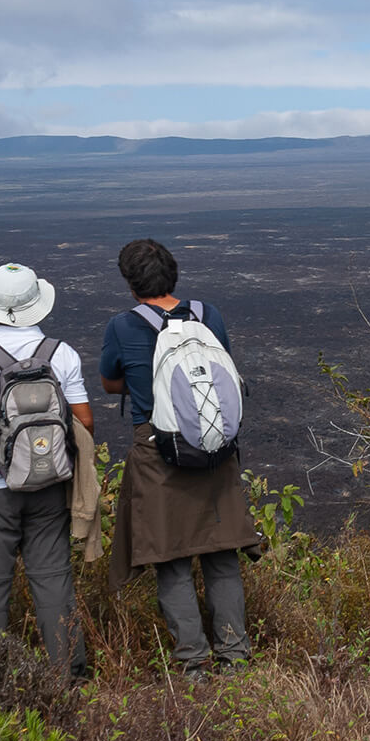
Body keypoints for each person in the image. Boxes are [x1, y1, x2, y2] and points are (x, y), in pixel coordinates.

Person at [100, 238, 262, 675]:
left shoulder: (123, 325)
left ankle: (193, 664)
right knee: (221, 553)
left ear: (131, 284)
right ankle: (235, 657)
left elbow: (110, 382)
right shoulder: (208, 315)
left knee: (171, 557)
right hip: (214, 449)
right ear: (173, 276)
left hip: (157, 450)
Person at [0, 263, 92, 678]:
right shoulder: (61, 353)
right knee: (53, 579)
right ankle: (70, 675)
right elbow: (85, 420)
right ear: (37, 304)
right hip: (49, 482)